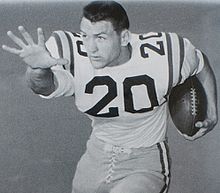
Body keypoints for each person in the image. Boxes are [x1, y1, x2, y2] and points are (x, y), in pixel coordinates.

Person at [2, 1, 218, 193]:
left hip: (145, 161)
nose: (91, 47)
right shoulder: (70, 53)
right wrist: (38, 69)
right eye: (85, 35)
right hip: (95, 155)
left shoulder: (166, 55)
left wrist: (212, 110)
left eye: (101, 37)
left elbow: (200, 64)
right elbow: (43, 87)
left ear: (124, 37)